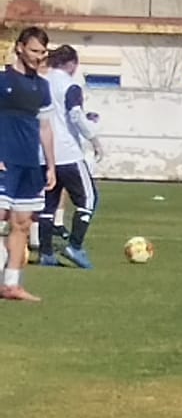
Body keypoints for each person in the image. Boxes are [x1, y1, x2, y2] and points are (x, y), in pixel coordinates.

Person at [1, 27, 55, 301]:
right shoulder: (2, 80)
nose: (39, 56)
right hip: (5, 160)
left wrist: (51, 165)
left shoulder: (42, 87)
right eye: (35, 50)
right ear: (20, 47)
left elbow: (45, 128)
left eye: (43, 52)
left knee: (22, 223)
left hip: (30, 164)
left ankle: (11, 284)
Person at [35, 45, 102, 269]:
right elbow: (75, 114)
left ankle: (46, 253)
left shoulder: (41, 82)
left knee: (48, 204)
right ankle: (75, 245)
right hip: (67, 153)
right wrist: (93, 138)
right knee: (89, 200)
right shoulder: (70, 85)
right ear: (71, 63)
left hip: (44, 154)